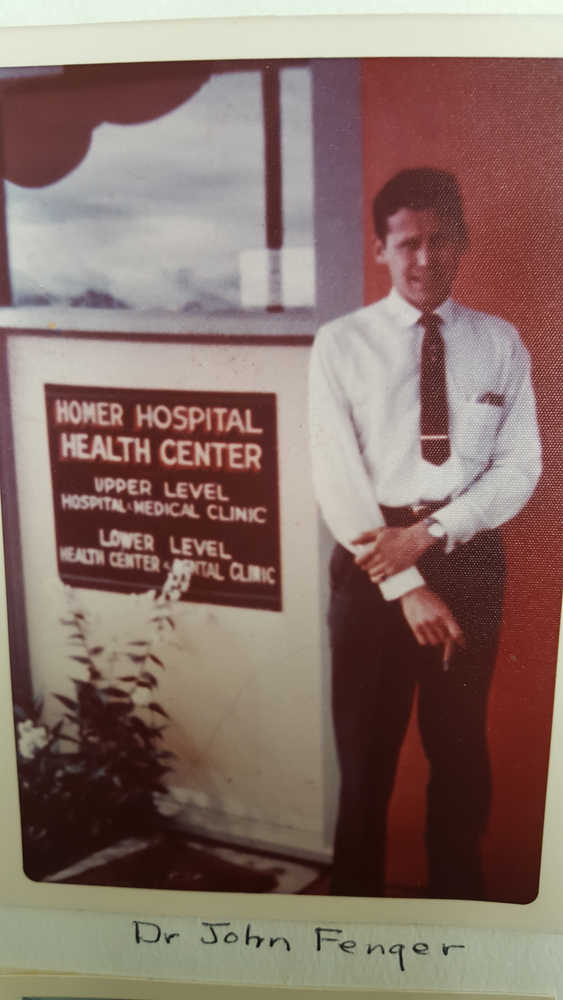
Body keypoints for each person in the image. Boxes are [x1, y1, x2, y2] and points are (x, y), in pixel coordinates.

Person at [308, 167, 542, 900]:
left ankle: (458, 914)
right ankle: (351, 918)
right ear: (381, 249)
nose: (424, 258)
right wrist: (406, 581)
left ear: (463, 242)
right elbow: (336, 477)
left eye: (441, 240)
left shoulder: (499, 342)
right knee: (366, 766)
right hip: (373, 560)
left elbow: (520, 466)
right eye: (407, 242)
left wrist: (432, 533)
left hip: (467, 558)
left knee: (460, 753)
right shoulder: (341, 344)